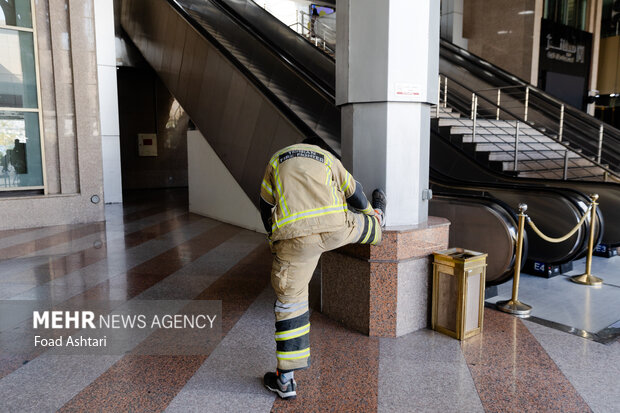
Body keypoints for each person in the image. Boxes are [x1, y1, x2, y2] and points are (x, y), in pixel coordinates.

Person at [260, 138, 386, 400]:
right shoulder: (327, 157)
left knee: (290, 301)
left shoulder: (276, 158)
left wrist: (273, 236)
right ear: (315, 147)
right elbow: (355, 192)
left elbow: (266, 204)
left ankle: (285, 382)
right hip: (335, 229)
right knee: (364, 225)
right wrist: (368, 211)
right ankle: (380, 219)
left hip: (296, 238)